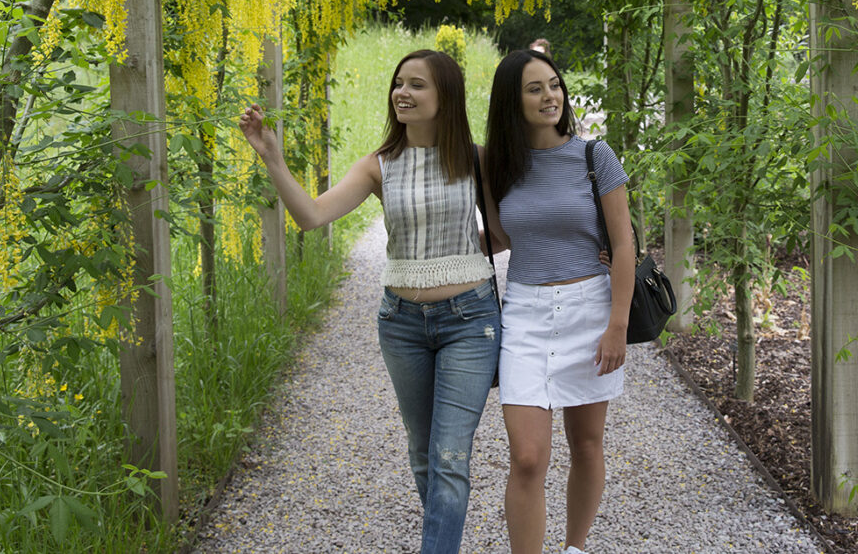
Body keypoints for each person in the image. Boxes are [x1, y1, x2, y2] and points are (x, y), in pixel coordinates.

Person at [239, 50, 500, 554]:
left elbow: (507, 232)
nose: (403, 92)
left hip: (470, 319)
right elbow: (312, 216)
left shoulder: (476, 159)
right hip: (401, 324)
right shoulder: (380, 166)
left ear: (446, 96)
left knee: (449, 457)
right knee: (425, 456)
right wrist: (272, 155)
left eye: (417, 85)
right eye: (399, 83)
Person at [481, 49, 635, 554]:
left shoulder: (596, 157)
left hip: (590, 308)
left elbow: (625, 243)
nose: (550, 97)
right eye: (534, 89)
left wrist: (617, 324)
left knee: (587, 444)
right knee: (527, 456)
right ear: (511, 100)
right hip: (524, 313)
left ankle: (574, 548)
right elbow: (501, 238)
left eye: (554, 85)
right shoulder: (497, 165)